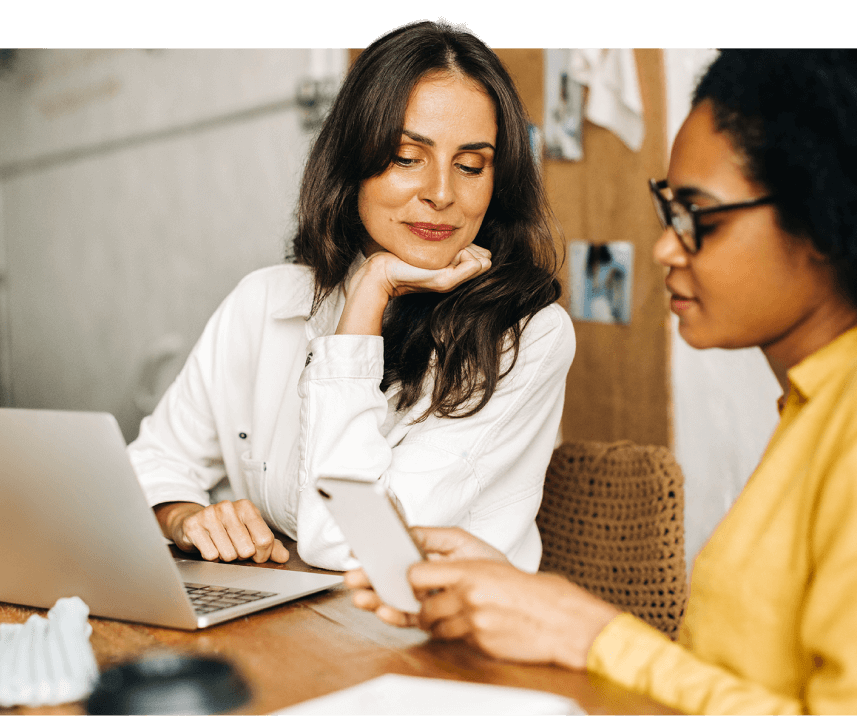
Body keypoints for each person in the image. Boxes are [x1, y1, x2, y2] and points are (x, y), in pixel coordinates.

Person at [347, 48, 857, 715]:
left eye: (701, 216)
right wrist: (530, 605)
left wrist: (590, 632)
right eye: (668, 209)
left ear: (825, 222)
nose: (666, 246)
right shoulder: (817, 403)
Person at [127, 23, 575, 572]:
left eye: (470, 165)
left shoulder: (528, 336)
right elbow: (150, 466)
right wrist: (183, 517)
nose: (441, 193)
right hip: (294, 625)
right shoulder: (264, 301)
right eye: (407, 157)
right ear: (352, 161)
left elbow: (355, 545)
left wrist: (369, 296)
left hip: (433, 643)